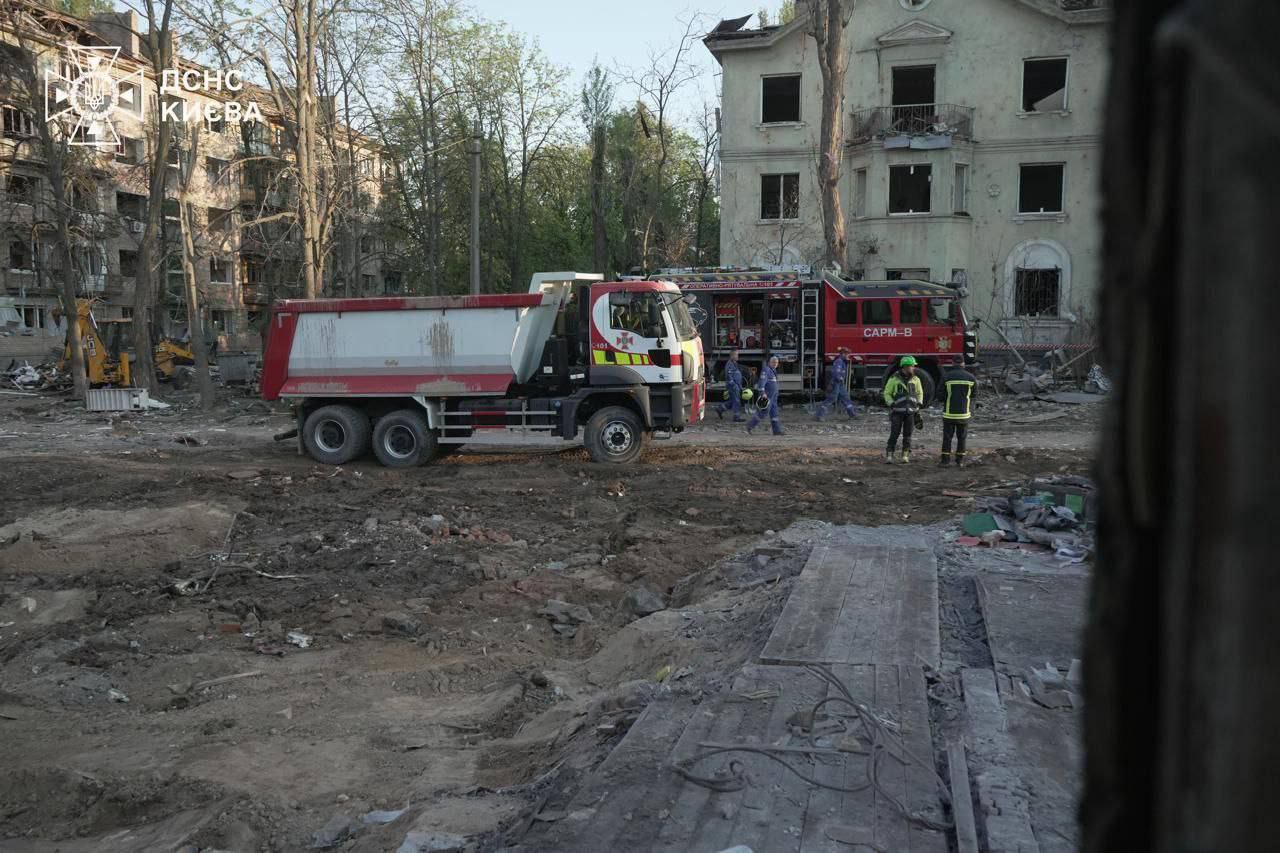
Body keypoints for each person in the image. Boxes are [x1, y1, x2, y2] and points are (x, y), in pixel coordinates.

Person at [882, 355, 924, 463]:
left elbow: (919, 393)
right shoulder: (894, 379)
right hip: (897, 412)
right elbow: (887, 393)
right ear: (905, 367)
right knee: (894, 434)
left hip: (911, 412)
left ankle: (905, 455)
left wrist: (919, 403)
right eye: (912, 366)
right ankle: (889, 455)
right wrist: (891, 403)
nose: (913, 368)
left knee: (907, 435)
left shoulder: (916, 379)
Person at [939, 363, 977, 466]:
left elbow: (940, 395)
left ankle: (945, 461)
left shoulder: (947, 377)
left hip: (949, 414)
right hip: (964, 415)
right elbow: (974, 396)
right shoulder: (971, 378)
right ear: (963, 364)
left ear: (953, 363)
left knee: (947, 437)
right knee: (962, 438)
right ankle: (960, 460)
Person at [814, 347, 857, 420]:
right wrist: (840, 378)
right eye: (847, 354)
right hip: (836, 383)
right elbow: (836, 373)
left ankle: (852, 415)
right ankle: (819, 416)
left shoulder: (842, 361)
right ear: (843, 354)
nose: (848, 355)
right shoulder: (839, 362)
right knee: (831, 399)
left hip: (840, 383)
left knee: (845, 398)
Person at [747, 355, 783, 436]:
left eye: (776, 362)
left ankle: (777, 431)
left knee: (774, 414)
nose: (775, 364)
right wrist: (762, 393)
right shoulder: (766, 370)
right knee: (763, 412)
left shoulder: (773, 371)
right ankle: (750, 426)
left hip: (773, 397)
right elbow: (762, 382)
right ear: (769, 362)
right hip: (768, 396)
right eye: (773, 362)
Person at [715, 350, 746, 421]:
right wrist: (734, 385)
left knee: (732, 401)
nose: (737, 356)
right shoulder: (729, 364)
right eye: (736, 355)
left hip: (736, 385)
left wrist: (740, 385)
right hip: (733, 386)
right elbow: (729, 376)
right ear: (732, 356)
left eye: (737, 355)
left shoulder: (734, 363)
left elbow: (736, 374)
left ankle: (720, 409)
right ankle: (736, 417)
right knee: (736, 401)